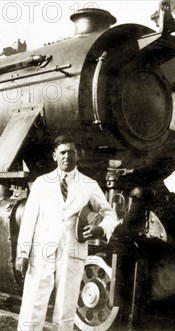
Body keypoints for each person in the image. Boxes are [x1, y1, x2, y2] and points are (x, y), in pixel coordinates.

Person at [15, 135, 119, 331]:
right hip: (41, 251)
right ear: (55, 156)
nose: (67, 156)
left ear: (77, 155)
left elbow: (110, 214)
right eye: (62, 152)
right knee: (32, 305)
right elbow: (28, 221)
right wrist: (22, 253)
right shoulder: (41, 183)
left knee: (66, 309)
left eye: (71, 152)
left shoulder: (88, 185)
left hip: (72, 252)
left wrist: (101, 229)